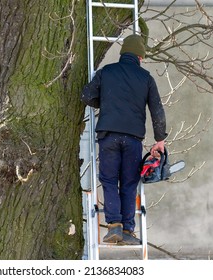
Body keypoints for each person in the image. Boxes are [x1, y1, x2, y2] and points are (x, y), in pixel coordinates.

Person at [81, 34, 167, 245]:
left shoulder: (106, 72)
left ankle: (114, 226)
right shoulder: (146, 78)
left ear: (123, 54)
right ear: (140, 57)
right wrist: (160, 140)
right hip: (133, 139)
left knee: (109, 180)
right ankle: (128, 230)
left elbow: (86, 95)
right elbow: (157, 110)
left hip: (108, 135)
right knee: (129, 182)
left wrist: (107, 103)